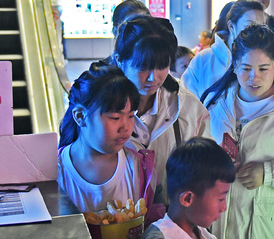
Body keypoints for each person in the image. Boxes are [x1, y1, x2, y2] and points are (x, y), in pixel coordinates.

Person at [202, 24, 274, 239]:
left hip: (268, 227)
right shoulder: (216, 104)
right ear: (234, 66)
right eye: (246, 68)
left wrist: (268, 173)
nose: (254, 77)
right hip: (217, 225)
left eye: (263, 69)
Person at [112, 15, 211, 205]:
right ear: (120, 61)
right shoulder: (98, 110)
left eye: (162, 66)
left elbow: (206, 170)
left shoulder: (187, 109)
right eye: (143, 67)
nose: (153, 78)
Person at [57, 64, 163, 221]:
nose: (125, 127)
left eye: (131, 116)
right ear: (80, 117)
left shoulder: (140, 168)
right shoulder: (53, 172)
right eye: (115, 117)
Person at [142, 137, 235, 239]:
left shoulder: (201, 232)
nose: (224, 207)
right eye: (220, 199)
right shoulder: (160, 236)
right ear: (187, 199)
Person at [182, 0, 266, 105]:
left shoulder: (265, 60)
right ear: (231, 26)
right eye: (249, 25)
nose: (256, 32)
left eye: (262, 26)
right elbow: (186, 104)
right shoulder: (204, 59)